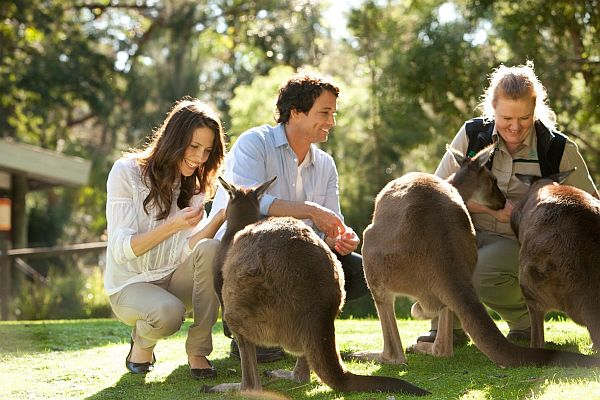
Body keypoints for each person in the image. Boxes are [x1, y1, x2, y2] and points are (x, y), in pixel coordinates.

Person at [418, 61, 599, 345]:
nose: (515, 128)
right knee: (436, 247)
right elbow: (438, 192)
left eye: (524, 118)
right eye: (506, 119)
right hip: (470, 232)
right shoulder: (472, 135)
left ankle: (524, 321)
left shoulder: (557, 149)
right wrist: (485, 207)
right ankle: (448, 328)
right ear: (492, 109)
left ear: (535, 110)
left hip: (523, 243)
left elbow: (591, 210)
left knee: (479, 270)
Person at [208, 73, 370, 362]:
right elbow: (254, 204)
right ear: (295, 112)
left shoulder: (325, 164)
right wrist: (310, 210)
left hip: (293, 256)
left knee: (361, 272)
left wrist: (340, 237)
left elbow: (330, 221)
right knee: (262, 352)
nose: (331, 121)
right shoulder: (254, 143)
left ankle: (295, 331)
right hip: (246, 257)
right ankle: (245, 332)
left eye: (333, 113)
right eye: (324, 112)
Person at [104, 98, 227, 379]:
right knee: (169, 314)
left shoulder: (194, 185)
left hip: (171, 278)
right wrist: (172, 225)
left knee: (212, 248)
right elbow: (122, 250)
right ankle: (142, 340)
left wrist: (220, 217)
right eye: (193, 146)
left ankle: (198, 351)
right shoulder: (127, 172)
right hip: (130, 285)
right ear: (173, 139)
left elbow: (190, 250)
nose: (199, 158)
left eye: (207, 151)